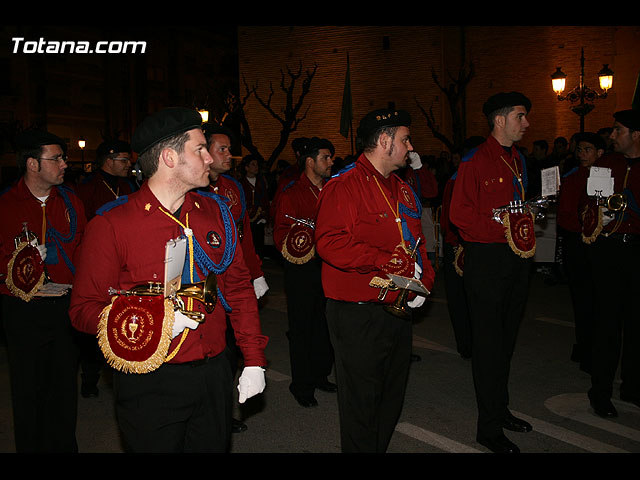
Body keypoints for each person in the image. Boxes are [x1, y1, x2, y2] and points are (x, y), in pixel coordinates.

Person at [69, 107, 268, 453]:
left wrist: (252, 359)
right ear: (169, 157)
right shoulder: (113, 224)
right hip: (150, 378)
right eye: (200, 149)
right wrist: (152, 323)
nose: (211, 157)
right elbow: (84, 309)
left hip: (214, 371)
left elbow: (237, 288)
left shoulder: (216, 212)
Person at [315, 108, 435, 453]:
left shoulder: (402, 188)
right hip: (357, 313)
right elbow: (330, 242)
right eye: (404, 139)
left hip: (397, 308)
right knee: (361, 404)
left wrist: (423, 281)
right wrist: (384, 261)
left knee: (390, 397)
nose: (410, 147)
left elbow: (418, 241)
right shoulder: (344, 185)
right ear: (384, 141)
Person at [449, 92, 534, 454]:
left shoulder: (517, 159)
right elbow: (460, 216)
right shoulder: (474, 161)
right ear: (499, 120)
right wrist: (506, 228)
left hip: (515, 260)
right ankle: (488, 428)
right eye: (520, 116)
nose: (526, 123)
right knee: (488, 347)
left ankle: (500, 411)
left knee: (506, 343)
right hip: (486, 262)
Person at [0, 129, 87, 452]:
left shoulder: (71, 202)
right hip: (23, 309)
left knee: (64, 387)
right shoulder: (7, 205)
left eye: (64, 157)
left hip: (64, 307)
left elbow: (83, 250)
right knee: (27, 388)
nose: (64, 164)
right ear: (32, 164)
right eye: (57, 158)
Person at [201, 122, 268, 433]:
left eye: (230, 149)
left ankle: (223, 410)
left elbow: (244, 237)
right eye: (222, 149)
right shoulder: (193, 189)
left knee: (229, 351)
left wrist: (255, 273)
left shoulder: (232, 188)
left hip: (234, 276)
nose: (230, 155)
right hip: (205, 285)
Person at [581, 109, 640, 418]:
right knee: (607, 323)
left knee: (636, 323)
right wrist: (597, 213)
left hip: (637, 249)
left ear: (636, 135)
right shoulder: (606, 163)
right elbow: (588, 202)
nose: (612, 135)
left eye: (619, 130)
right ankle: (600, 392)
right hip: (609, 250)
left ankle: (633, 385)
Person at [273, 136, 336, 408]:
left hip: (331, 267)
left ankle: (321, 373)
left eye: (331, 157)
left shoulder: (334, 190)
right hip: (302, 268)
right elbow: (281, 233)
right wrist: (303, 240)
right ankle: (302, 384)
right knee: (302, 327)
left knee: (327, 325)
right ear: (310, 161)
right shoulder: (291, 192)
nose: (330, 161)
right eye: (325, 157)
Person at [75, 139, 138, 398]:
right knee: (97, 313)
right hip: (99, 256)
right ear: (108, 160)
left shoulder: (129, 185)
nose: (128, 165)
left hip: (127, 258)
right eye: (123, 160)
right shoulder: (87, 189)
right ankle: (89, 377)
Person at [556, 132, 605, 375]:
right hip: (579, 243)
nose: (582, 154)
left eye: (588, 149)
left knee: (601, 301)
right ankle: (586, 350)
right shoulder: (573, 179)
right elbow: (565, 216)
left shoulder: (607, 176)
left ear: (599, 153)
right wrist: (586, 226)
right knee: (583, 300)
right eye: (580, 149)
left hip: (603, 244)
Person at [440, 137, 485, 360]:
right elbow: (450, 218)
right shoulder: (456, 180)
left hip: (473, 243)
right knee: (459, 297)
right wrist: (459, 245)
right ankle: (466, 343)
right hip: (459, 244)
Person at [239, 155, 270, 258]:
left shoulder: (261, 182)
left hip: (259, 217)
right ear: (246, 168)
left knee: (259, 243)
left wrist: (265, 215)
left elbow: (265, 199)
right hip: (246, 218)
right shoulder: (241, 183)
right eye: (253, 165)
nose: (256, 167)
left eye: (257, 165)